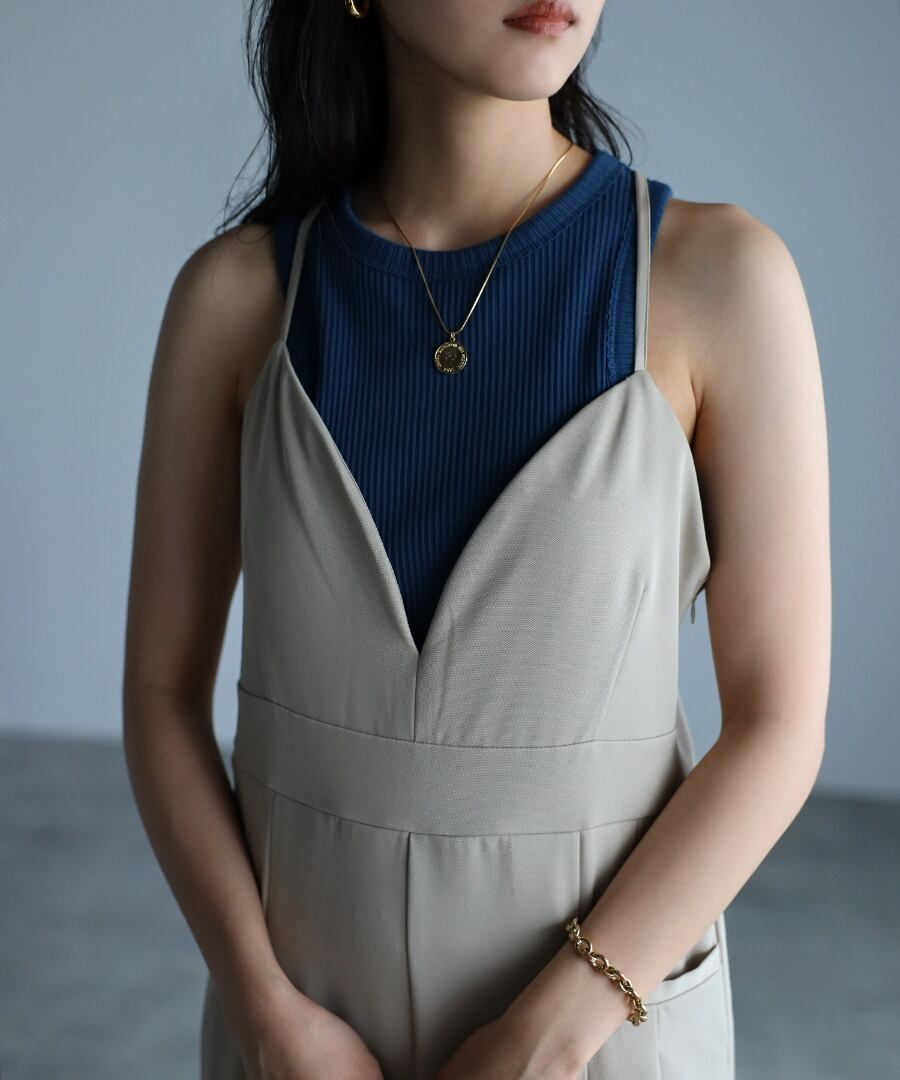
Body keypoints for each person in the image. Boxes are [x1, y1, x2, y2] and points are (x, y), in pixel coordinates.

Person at [122, 2, 831, 1078]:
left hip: (603, 1035)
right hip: (304, 1043)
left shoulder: (718, 278)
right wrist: (265, 1010)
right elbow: (161, 694)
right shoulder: (236, 301)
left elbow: (779, 724)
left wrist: (555, 1034)